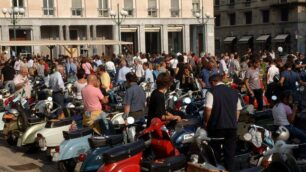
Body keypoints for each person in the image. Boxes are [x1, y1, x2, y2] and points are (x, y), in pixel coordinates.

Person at [204, 74, 242, 172]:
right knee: (230, 153)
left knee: (214, 152)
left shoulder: (211, 91)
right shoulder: (234, 92)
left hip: (217, 126)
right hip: (232, 127)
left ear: (213, 82)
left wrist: (206, 122)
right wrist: (234, 121)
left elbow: (208, 109)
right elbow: (238, 110)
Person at [272, 90, 306, 157]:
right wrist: (294, 110)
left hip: (276, 127)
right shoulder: (286, 107)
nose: (291, 100)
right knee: (304, 137)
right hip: (286, 127)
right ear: (285, 99)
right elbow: (291, 120)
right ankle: (302, 156)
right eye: (290, 99)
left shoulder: (275, 106)